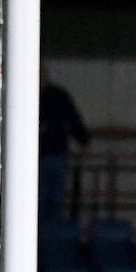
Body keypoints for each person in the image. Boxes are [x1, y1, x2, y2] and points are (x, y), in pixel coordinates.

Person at [38, 66, 90, 222]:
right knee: (37, 199)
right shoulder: (21, 94)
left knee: (55, 199)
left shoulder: (58, 96)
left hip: (55, 155)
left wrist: (84, 141)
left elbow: (72, 119)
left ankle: (52, 238)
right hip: (30, 159)